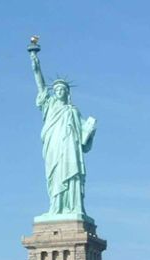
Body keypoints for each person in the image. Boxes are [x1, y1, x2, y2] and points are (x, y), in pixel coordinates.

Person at [30, 50, 96, 216]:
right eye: (56, 89)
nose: (58, 91)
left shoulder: (73, 111)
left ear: (67, 93)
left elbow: (84, 134)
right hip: (53, 144)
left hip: (69, 148)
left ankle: (73, 207)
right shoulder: (50, 104)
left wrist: (90, 129)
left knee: (71, 173)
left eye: (62, 89)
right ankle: (56, 207)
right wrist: (35, 65)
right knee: (54, 175)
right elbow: (41, 85)